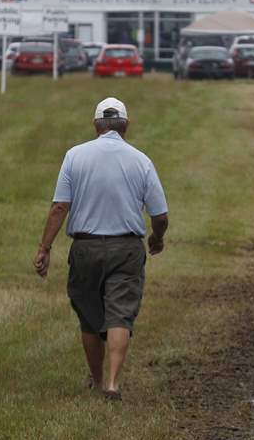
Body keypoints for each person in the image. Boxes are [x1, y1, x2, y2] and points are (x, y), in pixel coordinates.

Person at [34, 97, 168, 401]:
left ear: (96, 125)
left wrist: (45, 247)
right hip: (126, 248)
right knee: (120, 314)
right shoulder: (141, 161)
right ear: (126, 126)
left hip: (86, 247)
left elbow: (59, 207)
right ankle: (113, 383)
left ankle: (96, 380)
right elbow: (160, 215)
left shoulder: (74, 156)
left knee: (90, 317)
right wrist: (157, 238)